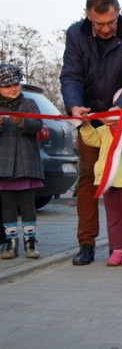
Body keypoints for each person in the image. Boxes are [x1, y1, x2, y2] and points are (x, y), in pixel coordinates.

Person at [60, 0, 122, 266]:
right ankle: (86, 243)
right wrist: (75, 106)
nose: (106, 28)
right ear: (87, 16)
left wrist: (121, 107)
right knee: (88, 178)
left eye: (111, 22)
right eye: (99, 24)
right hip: (90, 118)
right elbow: (71, 75)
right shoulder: (76, 34)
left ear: (118, 11)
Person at [79, 89, 122, 267]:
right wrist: (85, 125)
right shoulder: (104, 130)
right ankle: (116, 250)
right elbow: (91, 139)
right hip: (108, 181)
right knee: (113, 217)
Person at [0, 64, 44, 260]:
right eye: (7, 85)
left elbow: (37, 125)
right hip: (4, 165)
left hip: (27, 163)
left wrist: (22, 122)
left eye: (15, 83)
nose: (13, 88)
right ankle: (10, 242)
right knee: (7, 206)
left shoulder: (29, 103)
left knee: (28, 205)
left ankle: (30, 240)